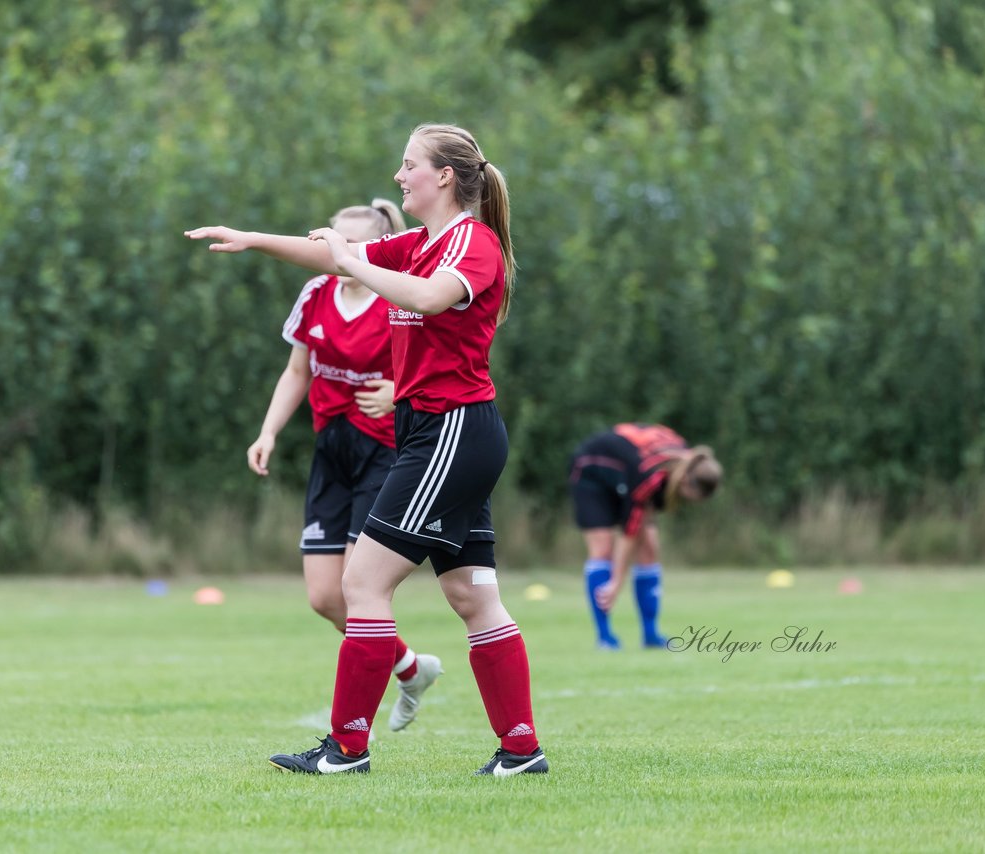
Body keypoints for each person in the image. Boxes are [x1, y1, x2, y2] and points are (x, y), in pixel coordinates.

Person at [186, 123, 546, 777]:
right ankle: (521, 752)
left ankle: (347, 749)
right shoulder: (425, 241)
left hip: (449, 432)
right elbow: (334, 258)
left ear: (443, 176)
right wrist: (253, 240)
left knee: (362, 583)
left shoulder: (472, 242)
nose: (398, 176)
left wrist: (354, 263)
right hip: (442, 434)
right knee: (471, 596)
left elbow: (431, 297)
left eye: (408, 165)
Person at [248, 198, 442, 732]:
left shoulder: (397, 295)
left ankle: (350, 733)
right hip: (331, 451)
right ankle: (409, 668)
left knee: (360, 591)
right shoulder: (314, 294)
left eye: (353, 243)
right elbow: (297, 371)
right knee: (324, 597)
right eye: (332, 241)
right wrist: (268, 432)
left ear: (375, 247)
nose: (339, 252)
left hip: (385, 453)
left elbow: (444, 363)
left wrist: (398, 392)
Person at [568, 423, 722, 650]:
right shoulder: (649, 475)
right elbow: (630, 532)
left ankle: (650, 634)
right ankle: (605, 637)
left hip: (623, 474)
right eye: (693, 497)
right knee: (603, 549)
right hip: (592, 471)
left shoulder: (686, 461)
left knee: (650, 546)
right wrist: (616, 582)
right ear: (686, 482)